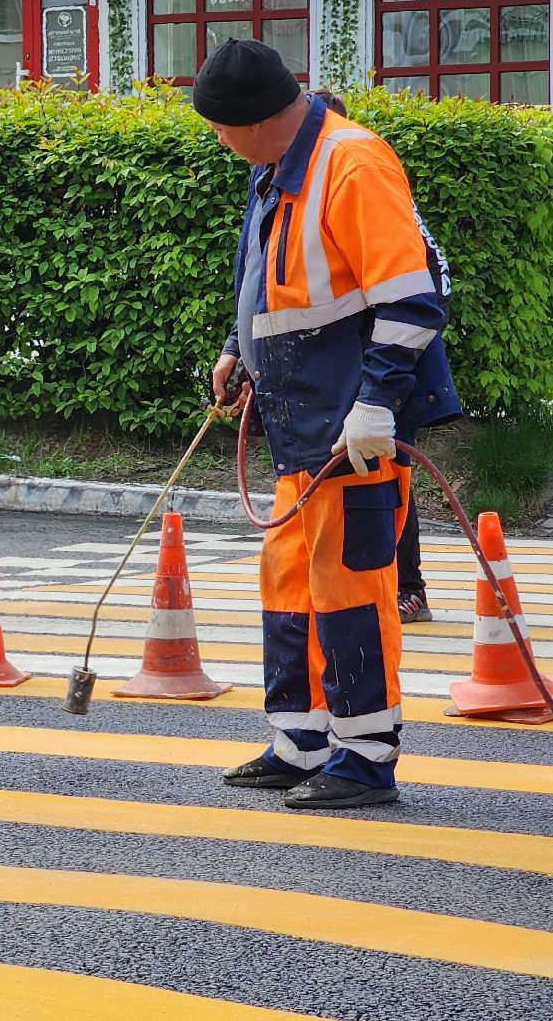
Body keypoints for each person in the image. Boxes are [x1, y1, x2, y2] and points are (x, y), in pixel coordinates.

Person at [199, 41, 460, 809]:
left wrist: (377, 402)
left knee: (351, 588)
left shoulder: (353, 163)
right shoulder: (274, 168)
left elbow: (411, 300)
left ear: (257, 120)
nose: (217, 140)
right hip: (298, 419)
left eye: (222, 127)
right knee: (291, 584)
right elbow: (267, 273)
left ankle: (366, 753)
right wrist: (235, 347)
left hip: (351, 420)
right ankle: (302, 739)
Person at [313, 88, 438, 625]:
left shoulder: (359, 176)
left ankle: (406, 587)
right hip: (343, 373)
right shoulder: (295, 188)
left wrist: (381, 389)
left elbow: (421, 289)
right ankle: (377, 587)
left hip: (384, 371)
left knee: (385, 477)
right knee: (361, 484)